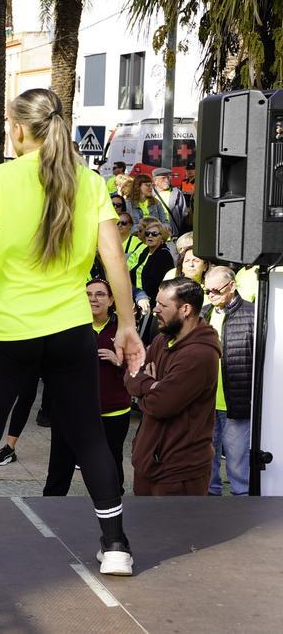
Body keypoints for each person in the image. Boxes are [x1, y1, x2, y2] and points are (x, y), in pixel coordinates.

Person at [0, 88, 145, 581]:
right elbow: (115, 260)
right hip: (70, 330)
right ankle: (116, 546)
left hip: (7, 332)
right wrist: (126, 325)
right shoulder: (89, 182)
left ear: (18, 128)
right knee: (89, 436)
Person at [126, 278, 220, 496]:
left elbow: (160, 405)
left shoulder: (200, 354)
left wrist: (144, 389)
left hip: (179, 472)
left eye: (163, 305)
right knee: (146, 529)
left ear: (185, 309)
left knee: (174, 530)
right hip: (150, 462)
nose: (156, 309)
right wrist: (152, 385)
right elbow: (131, 372)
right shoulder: (162, 339)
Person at [42, 279, 133, 495]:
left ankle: (113, 515)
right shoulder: (67, 326)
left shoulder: (124, 328)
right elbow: (47, 365)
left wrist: (119, 362)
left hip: (112, 411)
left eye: (100, 294)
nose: (93, 299)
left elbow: (140, 368)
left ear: (111, 299)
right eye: (88, 294)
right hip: (70, 412)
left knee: (111, 467)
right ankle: (49, 510)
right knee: (59, 470)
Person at [201, 267, 254, 496]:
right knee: (207, 460)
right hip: (207, 402)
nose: (211, 295)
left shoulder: (252, 314)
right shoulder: (202, 314)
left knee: (237, 461)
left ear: (232, 286)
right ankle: (211, 505)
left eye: (216, 290)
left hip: (237, 402)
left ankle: (242, 506)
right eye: (207, 290)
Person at [130, 218, 174, 313]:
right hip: (137, 295)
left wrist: (141, 297)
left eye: (154, 234)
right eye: (147, 233)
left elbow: (156, 285)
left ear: (162, 237)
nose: (150, 236)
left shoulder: (164, 255)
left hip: (151, 302)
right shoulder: (145, 251)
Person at [150, 167, 190, 237]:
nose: (167, 180)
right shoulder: (150, 194)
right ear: (155, 180)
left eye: (168, 177)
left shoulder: (176, 193)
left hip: (172, 235)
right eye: (163, 178)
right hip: (153, 235)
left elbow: (184, 214)